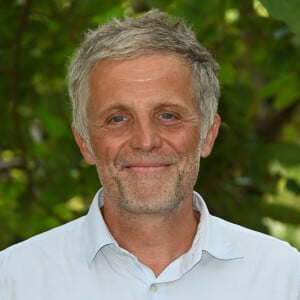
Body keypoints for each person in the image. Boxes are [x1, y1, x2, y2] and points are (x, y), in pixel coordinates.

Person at [0, 9, 299, 300]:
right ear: (84, 142)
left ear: (208, 135)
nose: (145, 141)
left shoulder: (283, 278)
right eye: (118, 119)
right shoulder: (14, 281)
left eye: (168, 116)